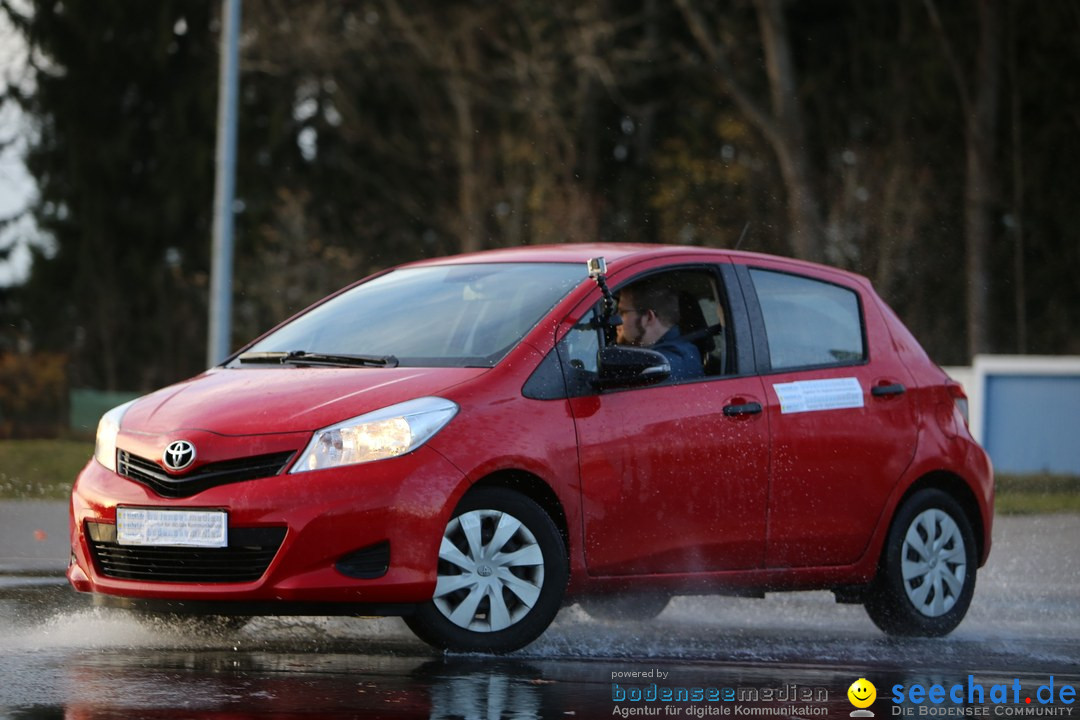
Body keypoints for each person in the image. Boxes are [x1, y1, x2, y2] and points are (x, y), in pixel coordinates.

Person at [616, 279, 703, 381]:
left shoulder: (663, 366)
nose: (615, 319)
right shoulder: (681, 353)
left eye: (622, 312)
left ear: (648, 317)